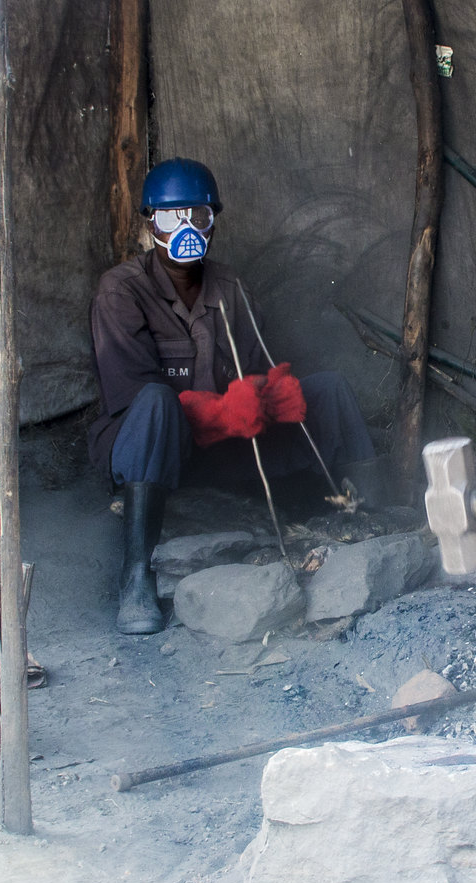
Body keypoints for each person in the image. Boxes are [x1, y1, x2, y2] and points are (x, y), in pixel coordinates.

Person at [88, 157, 382, 635]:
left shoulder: (228, 286)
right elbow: (130, 395)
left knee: (328, 389)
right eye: (169, 217)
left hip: (223, 452)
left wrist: (270, 392)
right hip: (150, 454)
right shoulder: (120, 290)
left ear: (213, 223)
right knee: (157, 405)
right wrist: (222, 412)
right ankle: (136, 577)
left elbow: (255, 372)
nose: (185, 229)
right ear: (149, 225)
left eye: (197, 217)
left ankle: (369, 516)